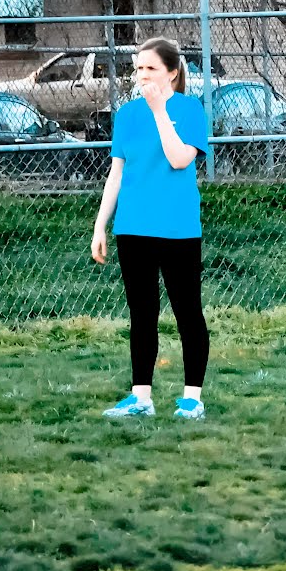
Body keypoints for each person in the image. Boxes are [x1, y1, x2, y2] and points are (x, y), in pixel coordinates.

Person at [90, 37, 212, 420]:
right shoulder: (127, 115)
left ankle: (192, 399)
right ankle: (140, 396)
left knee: (187, 312)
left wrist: (161, 111)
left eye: (151, 69)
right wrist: (100, 226)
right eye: (138, 68)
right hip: (134, 228)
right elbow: (116, 175)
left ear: (172, 73)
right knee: (141, 314)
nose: (142, 76)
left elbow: (179, 160)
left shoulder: (190, 110)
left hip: (178, 228)